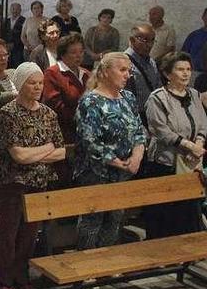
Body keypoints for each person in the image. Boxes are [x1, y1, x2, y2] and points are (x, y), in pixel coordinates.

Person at [0, 63, 65, 289]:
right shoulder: (8, 113)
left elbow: (61, 152)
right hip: (13, 183)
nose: (37, 87)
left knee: (29, 234)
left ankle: (22, 276)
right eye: (32, 83)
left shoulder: (48, 113)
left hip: (39, 182)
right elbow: (18, 156)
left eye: (40, 83)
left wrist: (35, 153)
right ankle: (4, 278)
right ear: (21, 84)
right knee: (9, 232)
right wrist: (46, 148)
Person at [74, 52, 145, 249]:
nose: (127, 75)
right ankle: (86, 266)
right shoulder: (91, 101)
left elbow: (139, 131)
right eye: (122, 70)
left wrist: (137, 156)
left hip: (124, 171)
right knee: (92, 220)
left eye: (129, 71)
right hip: (96, 172)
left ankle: (107, 262)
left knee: (116, 218)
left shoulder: (128, 98)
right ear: (105, 72)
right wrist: (116, 161)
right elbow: (90, 141)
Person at [142, 52, 207, 239]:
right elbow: (160, 130)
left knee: (188, 210)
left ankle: (186, 252)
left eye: (188, 69)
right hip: (165, 162)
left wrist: (199, 144)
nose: (186, 73)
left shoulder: (194, 94)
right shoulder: (158, 98)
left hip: (191, 161)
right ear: (168, 74)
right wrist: (188, 146)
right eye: (180, 69)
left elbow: (202, 122)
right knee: (166, 213)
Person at [42, 33, 90, 142]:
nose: (79, 55)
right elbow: (55, 106)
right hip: (63, 133)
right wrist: (82, 118)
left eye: (81, 51)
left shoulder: (86, 74)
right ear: (63, 54)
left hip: (86, 132)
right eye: (73, 52)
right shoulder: (53, 73)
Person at [124, 23, 162, 119]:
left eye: (152, 40)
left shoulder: (151, 62)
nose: (149, 45)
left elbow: (158, 86)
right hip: (133, 116)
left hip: (152, 115)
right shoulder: (123, 62)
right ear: (132, 40)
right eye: (145, 41)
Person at [3, 3, 26, 67]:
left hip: (18, 48)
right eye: (13, 9)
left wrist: (14, 44)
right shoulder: (6, 21)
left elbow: (23, 34)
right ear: (10, 10)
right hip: (7, 47)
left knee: (17, 65)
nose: (15, 11)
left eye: (17, 9)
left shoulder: (24, 20)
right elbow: (3, 33)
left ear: (20, 10)